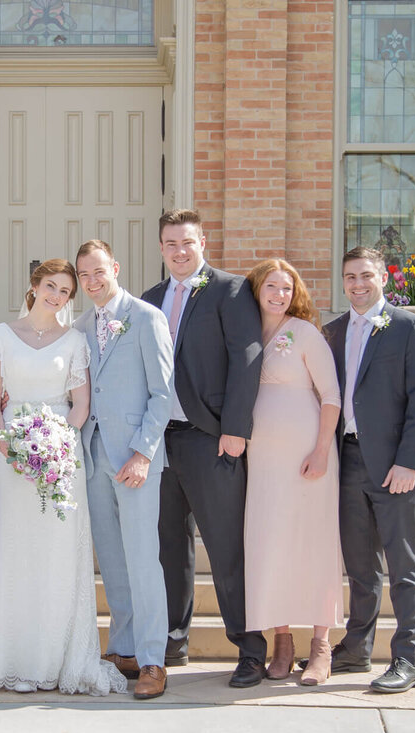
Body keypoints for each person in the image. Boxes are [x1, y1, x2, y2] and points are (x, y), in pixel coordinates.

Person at [0, 259, 126, 696]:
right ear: (35, 286)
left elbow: (81, 404)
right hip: (11, 454)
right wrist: (7, 443)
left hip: (61, 454)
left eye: (65, 290)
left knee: (57, 555)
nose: (56, 295)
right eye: (50, 286)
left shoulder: (76, 341)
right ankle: (13, 661)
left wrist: (61, 439)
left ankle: (53, 662)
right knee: (15, 552)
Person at [140, 209, 268, 688]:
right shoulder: (148, 300)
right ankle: (174, 639)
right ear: (161, 247)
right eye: (170, 243)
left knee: (227, 546)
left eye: (187, 242)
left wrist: (236, 429)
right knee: (169, 546)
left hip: (211, 438)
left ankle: (250, 649)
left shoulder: (230, 291)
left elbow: (247, 358)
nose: (179, 251)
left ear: (203, 242)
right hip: (160, 441)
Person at [322, 246, 415, 693]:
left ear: (383, 278)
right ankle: (356, 647)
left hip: (395, 467)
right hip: (347, 460)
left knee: (403, 565)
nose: (357, 285)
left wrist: (408, 461)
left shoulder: (411, 328)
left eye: (365, 275)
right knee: (359, 564)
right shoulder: (332, 332)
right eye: (350, 277)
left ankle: (407, 658)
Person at [73, 240, 174, 700]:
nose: (92, 282)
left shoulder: (146, 317)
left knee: (142, 560)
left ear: (115, 267)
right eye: (84, 276)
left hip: (135, 459)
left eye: (99, 272)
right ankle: (125, 648)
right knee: (112, 561)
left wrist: (144, 452)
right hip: (93, 458)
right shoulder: (77, 327)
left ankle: (154, 658)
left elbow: (162, 394)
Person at [243, 259, 343, 686]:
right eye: (271, 285)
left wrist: (321, 450)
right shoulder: (244, 334)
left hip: (306, 456)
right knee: (271, 545)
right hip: (261, 461)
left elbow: (331, 396)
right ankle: (282, 641)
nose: (279, 294)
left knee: (313, 543)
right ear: (257, 289)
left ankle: (321, 645)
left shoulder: (304, 333)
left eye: (287, 287)